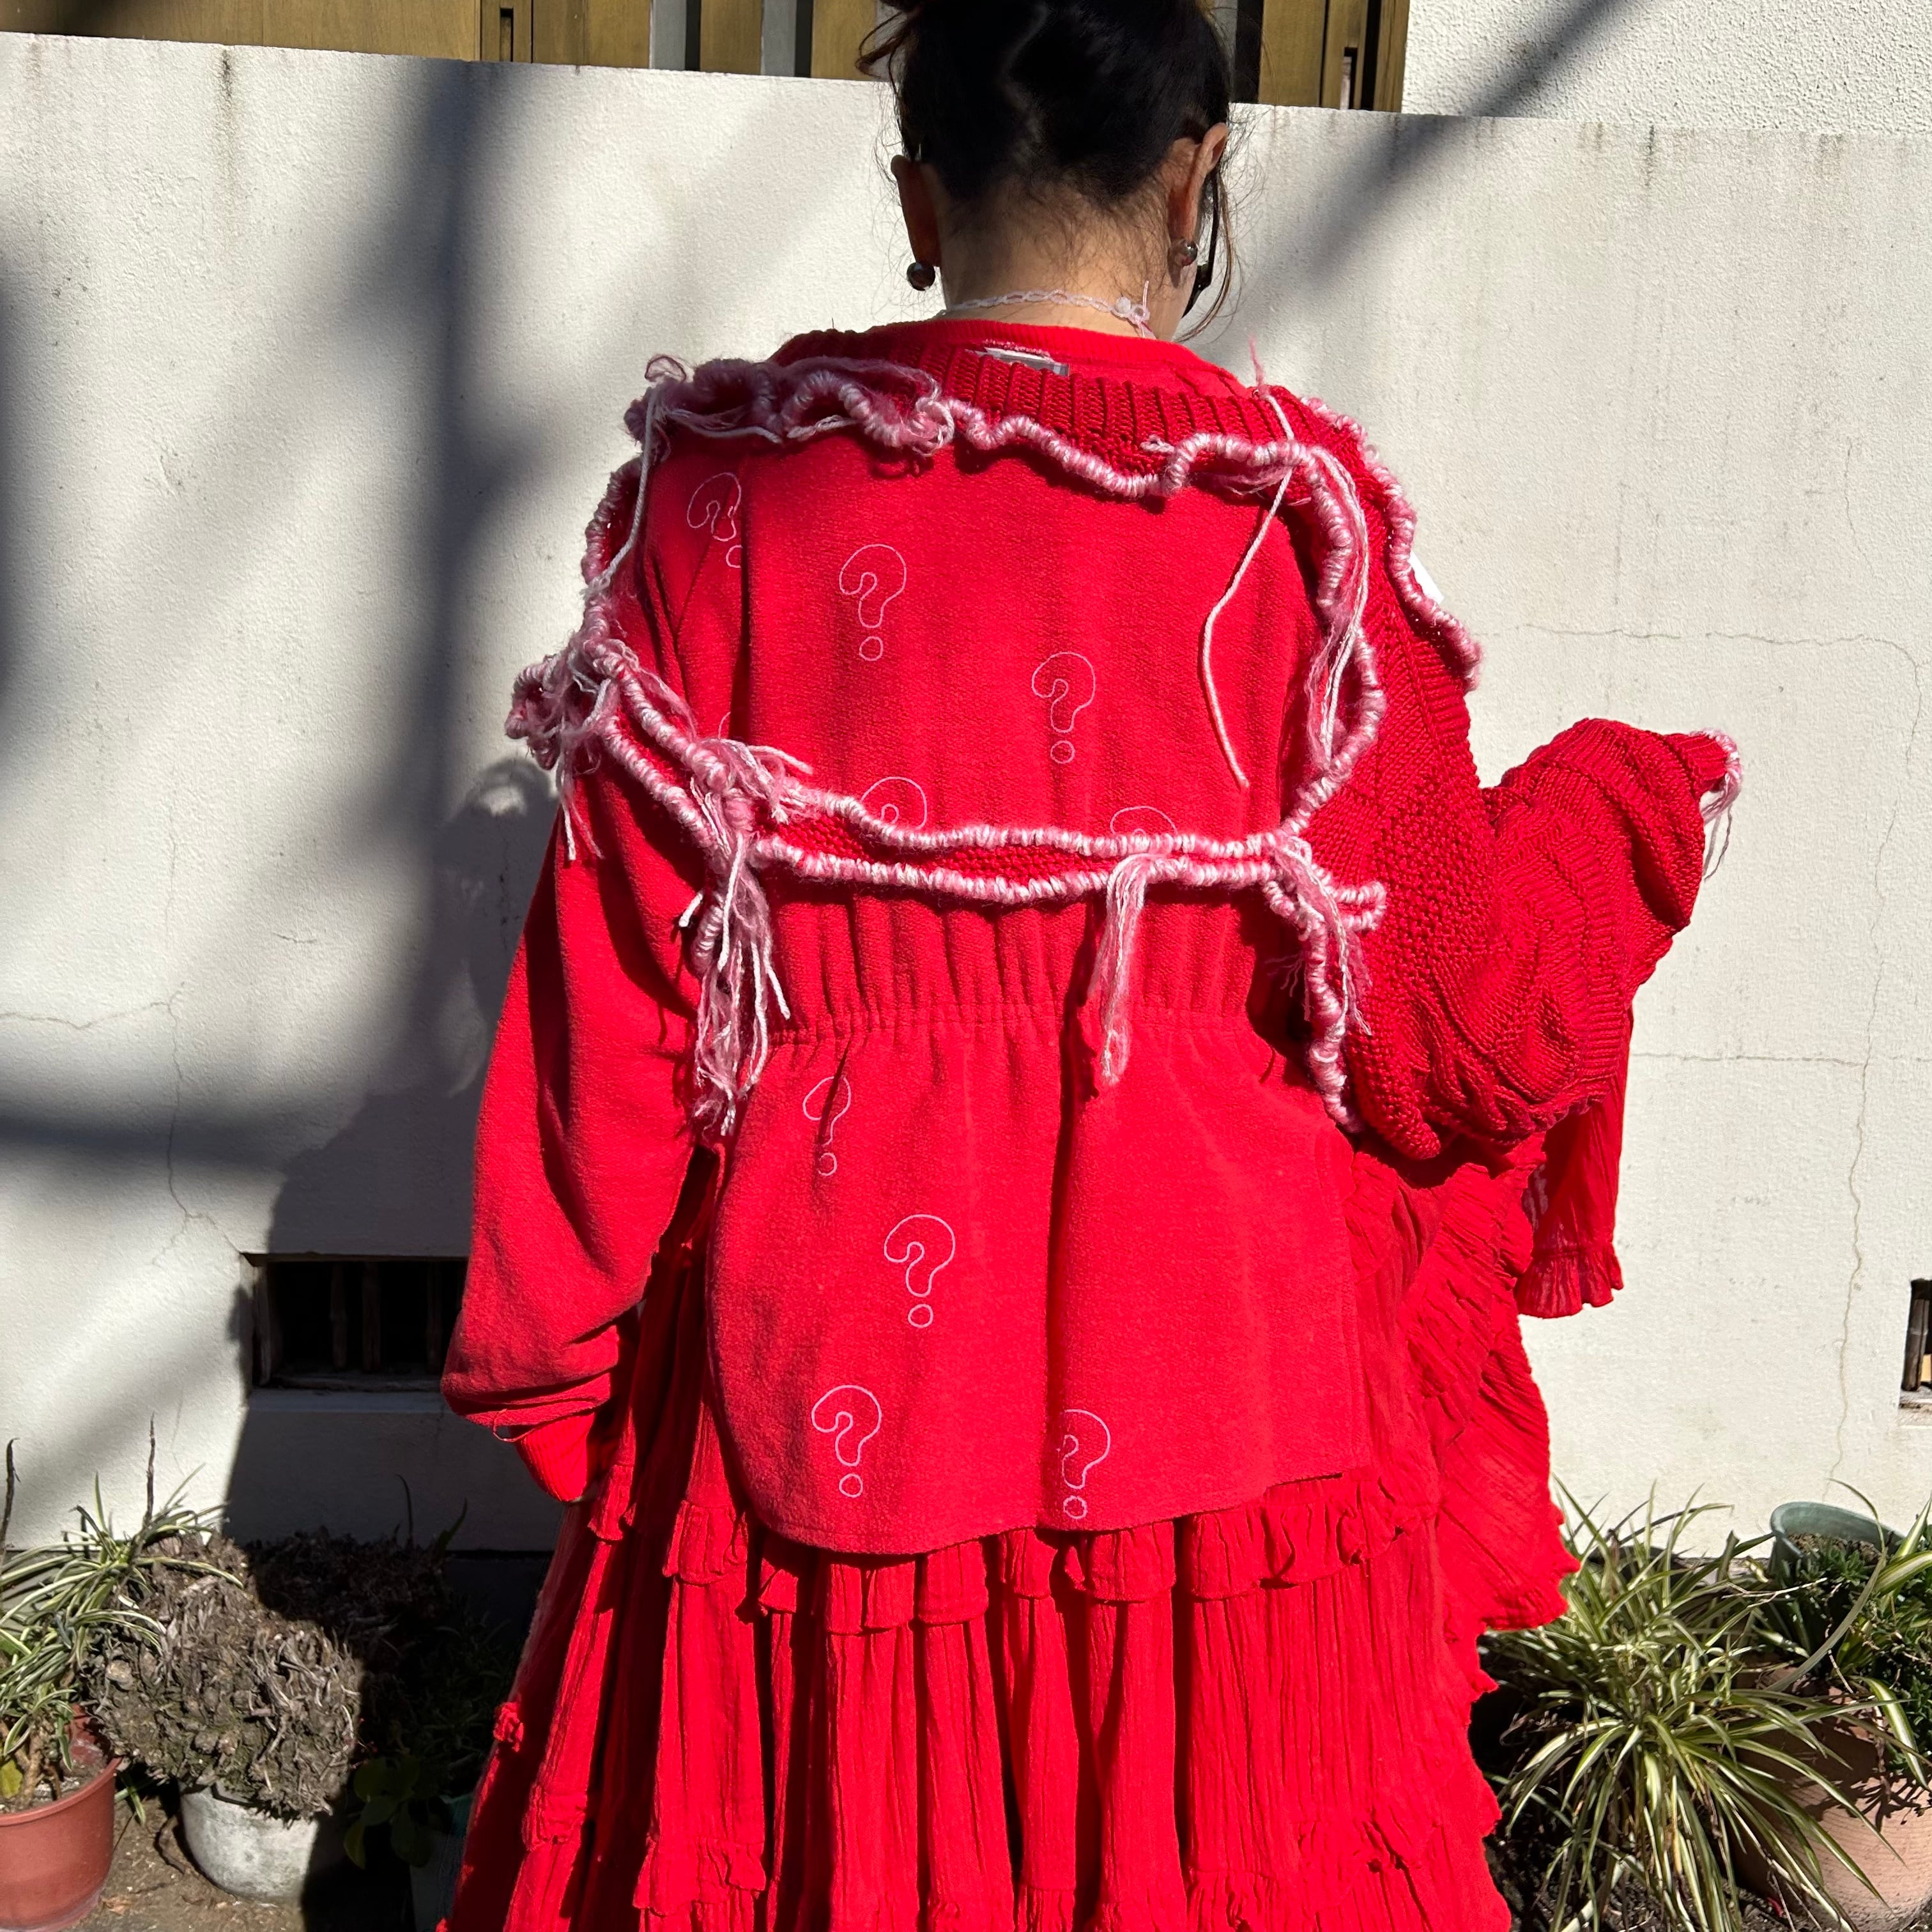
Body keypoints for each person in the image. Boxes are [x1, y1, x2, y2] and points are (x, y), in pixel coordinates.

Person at [440, 3, 1740, 1928]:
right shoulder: (1297, 531)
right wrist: (1625, 810)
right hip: (1227, 1424)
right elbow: (1447, 1030)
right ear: (1200, 174)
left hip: (832, 1411)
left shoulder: (719, 503)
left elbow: (611, 999)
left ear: (919, 198)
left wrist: (553, 1365)